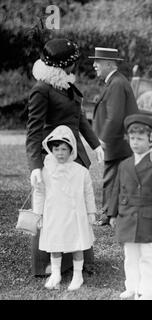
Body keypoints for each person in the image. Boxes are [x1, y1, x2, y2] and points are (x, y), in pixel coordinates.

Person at [26, 38, 103, 276]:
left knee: (75, 205)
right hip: (54, 156)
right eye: (73, 63)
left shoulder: (66, 85)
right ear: (63, 65)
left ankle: (75, 260)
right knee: (53, 208)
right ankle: (47, 263)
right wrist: (36, 165)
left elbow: (79, 118)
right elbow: (34, 130)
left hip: (74, 153)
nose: (75, 67)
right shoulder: (42, 89)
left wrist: (95, 144)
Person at [108, 114, 152, 300]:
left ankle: (149, 290)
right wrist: (112, 213)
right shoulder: (124, 164)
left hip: (147, 217)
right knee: (130, 255)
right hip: (127, 216)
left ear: (151, 141)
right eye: (132, 138)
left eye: (140, 139)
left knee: (147, 255)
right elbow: (116, 190)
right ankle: (132, 286)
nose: (135, 143)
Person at [33, 125, 96, 290]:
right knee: (55, 243)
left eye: (64, 149)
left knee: (77, 243)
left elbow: (88, 193)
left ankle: (77, 275)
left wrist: (91, 212)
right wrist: (38, 214)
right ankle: (55, 273)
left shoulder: (81, 172)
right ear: (51, 149)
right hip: (54, 213)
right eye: (56, 149)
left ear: (71, 150)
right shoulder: (46, 171)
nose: (60, 153)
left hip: (75, 214)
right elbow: (39, 193)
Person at [89, 47, 139, 226]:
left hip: (116, 141)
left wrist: (102, 139)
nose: (94, 65)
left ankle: (106, 215)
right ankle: (113, 214)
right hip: (119, 140)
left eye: (98, 62)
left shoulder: (116, 83)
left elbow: (115, 116)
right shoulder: (116, 81)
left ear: (109, 64)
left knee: (111, 179)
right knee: (116, 178)